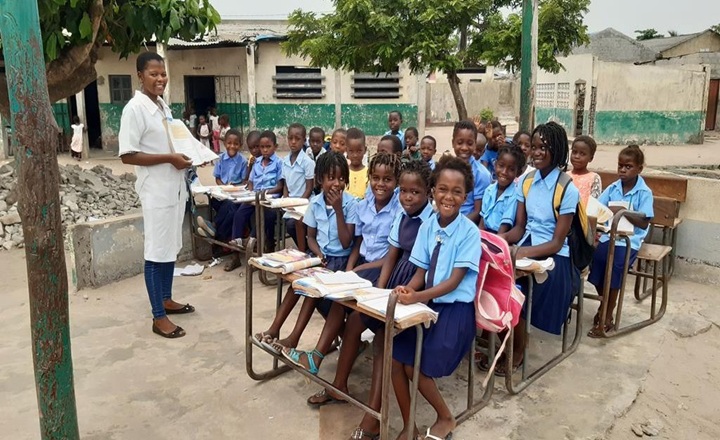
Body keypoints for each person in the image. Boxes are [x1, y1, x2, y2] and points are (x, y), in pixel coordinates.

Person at [306, 160, 435, 440]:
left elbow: (424, 269)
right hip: (393, 282)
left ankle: (374, 418)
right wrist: (379, 289)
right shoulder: (403, 216)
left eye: (415, 192)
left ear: (428, 192)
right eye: (405, 191)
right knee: (354, 322)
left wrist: (397, 295)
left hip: (414, 288)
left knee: (382, 340)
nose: (408, 197)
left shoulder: (430, 221)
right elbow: (391, 256)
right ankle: (339, 386)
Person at [281, 152, 402, 372]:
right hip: (358, 264)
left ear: (396, 182)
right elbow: (358, 242)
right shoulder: (365, 205)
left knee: (336, 300)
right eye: (375, 178)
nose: (380, 184)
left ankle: (317, 355)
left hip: (380, 269)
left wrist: (355, 269)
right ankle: (304, 345)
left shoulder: (396, 210)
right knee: (314, 289)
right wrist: (350, 268)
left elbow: (391, 255)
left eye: (387, 179)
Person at [391, 155, 481, 440]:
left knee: (416, 365)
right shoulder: (428, 226)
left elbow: (453, 282)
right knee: (396, 358)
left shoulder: (470, 232)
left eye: (456, 192)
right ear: (433, 191)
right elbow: (421, 271)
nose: (448, 197)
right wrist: (407, 290)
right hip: (427, 303)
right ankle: (409, 426)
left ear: (465, 196)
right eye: (442, 189)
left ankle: (445, 417)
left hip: (455, 311)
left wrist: (417, 295)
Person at [118, 51, 195, 339]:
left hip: (173, 188)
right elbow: (127, 155)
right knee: (155, 252)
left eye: (163, 74)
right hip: (156, 192)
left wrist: (191, 155)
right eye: (153, 74)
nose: (160, 79)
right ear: (140, 76)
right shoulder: (134, 109)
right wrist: (169, 158)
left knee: (169, 246)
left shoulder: (162, 106)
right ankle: (158, 316)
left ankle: (166, 298)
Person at [253, 152, 358, 353]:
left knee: (311, 289)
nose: (337, 183)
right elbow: (311, 237)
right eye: (331, 178)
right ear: (320, 180)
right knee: (296, 284)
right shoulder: (315, 203)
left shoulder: (351, 204)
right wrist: (317, 254)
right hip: (321, 259)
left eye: (341, 178)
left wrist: (338, 210)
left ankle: (294, 338)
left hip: (341, 263)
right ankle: (274, 329)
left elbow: (346, 242)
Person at [501, 121, 581, 374]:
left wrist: (520, 252)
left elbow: (556, 242)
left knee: (520, 294)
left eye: (543, 148)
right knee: (501, 283)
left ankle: (518, 350)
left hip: (555, 256)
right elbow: (519, 228)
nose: (535, 153)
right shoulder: (526, 181)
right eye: (534, 147)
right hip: (527, 246)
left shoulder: (566, 188)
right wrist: (499, 241)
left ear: (556, 150)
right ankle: (504, 342)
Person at [587, 145, 654, 337]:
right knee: (596, 261)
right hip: (609, 236)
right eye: (620, 166)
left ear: (639, 169)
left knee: (616, 266)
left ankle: (607, 316)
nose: (623, 170)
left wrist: (623, 212)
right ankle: (606, 303)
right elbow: (598, 207)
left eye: (628, 166)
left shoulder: (644, 192)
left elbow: (644, 221)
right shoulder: (613, 188)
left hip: (629, 241)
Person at [227, 130, 283, 268]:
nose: (264, 150)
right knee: (239, 214)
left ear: (275, 147)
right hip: (254, 197)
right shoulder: (257, 162)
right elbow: (251, 181)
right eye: (262, 147)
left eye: (268, 147)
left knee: (264, 215)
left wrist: (265, 193)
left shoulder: (278, 163)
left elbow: (280, 186)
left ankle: (251, 240)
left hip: (269, 199)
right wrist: (250, 192)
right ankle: (235, 251)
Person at [196, 129, 248, 245]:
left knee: (231, 208)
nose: (232, 146)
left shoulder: (243, 161)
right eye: (229, 143)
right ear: (224, 143)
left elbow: (244, 181)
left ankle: (214, 229)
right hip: (222, 193)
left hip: (235, 195)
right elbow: (217, 178)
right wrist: (224, 187)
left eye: (235, 144)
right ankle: (215, 232)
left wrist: (234, 188)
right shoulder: (220, 159)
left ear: (240, 145)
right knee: (220, 204)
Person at [281, 123, 315, 248]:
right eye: (290, 138)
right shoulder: (285, 161)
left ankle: (304, 250)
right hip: (290, 203)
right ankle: (305, 248)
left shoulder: (308, 162)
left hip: (304, 202)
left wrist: (297, 203)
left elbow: (309, 188)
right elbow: (285, 185)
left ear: (304, 140)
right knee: (288, 223)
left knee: (293, 224)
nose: (293, 142)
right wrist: (285, 199)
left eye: (297, 139)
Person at [452, 120, 492, 224]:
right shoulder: (447, 169)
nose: (464, 148)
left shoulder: (482, 174)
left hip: (466, 223)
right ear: (453, 143)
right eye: (460, 143)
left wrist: (456, 225)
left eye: (469, 143)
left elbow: (478, 212)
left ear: (475, 144)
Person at [480, 143, 524, 234]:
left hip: (500, 235)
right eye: (501, 166)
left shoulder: (515, 195)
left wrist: (493, 240)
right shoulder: (489, 190)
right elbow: (482, 221)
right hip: (485, 234)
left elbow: (504, 227)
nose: (504, 172)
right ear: (495, 165)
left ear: (518, 173)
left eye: (511, 169)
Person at [568, 135, 602, 207]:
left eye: (582, 154)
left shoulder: (594, 178)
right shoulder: (565, 176)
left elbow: (594, 204)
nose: (577, 156)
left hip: (585, 214)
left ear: (591, 158)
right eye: (574, 152)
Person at [346, 128, 368, 199]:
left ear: (365, 150)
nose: (355, 155)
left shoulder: (368, 173)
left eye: (359, 151)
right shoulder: (343, 172)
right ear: (346, 150)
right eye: (351, 151)